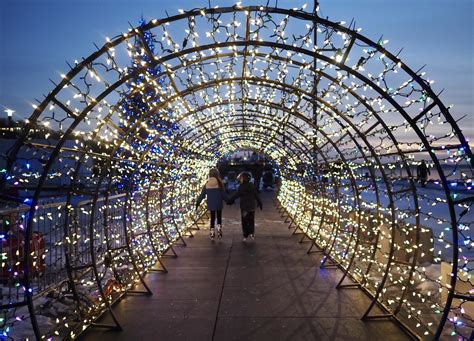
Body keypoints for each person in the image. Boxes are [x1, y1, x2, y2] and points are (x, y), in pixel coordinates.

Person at [228, 172, 263, 241]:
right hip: (252, 207)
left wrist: (230, 201)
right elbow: (256, 195)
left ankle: (245, 234)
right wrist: (260, 203)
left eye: (241, 178)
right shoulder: (252, 186)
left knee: (244, 221)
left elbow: (236, 195)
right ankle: (252, 233)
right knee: (251, 220)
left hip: (244, 208)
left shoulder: (241, 187)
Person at [196, 168, 229, 240]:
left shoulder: (207, 184)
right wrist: (228, 200)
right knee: (219, 218)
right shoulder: (220, 183)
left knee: (212, 219)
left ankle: (212, 234)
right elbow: (223, 194)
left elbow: (202, 195)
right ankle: (219, 232)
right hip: (218, 204)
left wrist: (198, 202)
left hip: (211, 204)